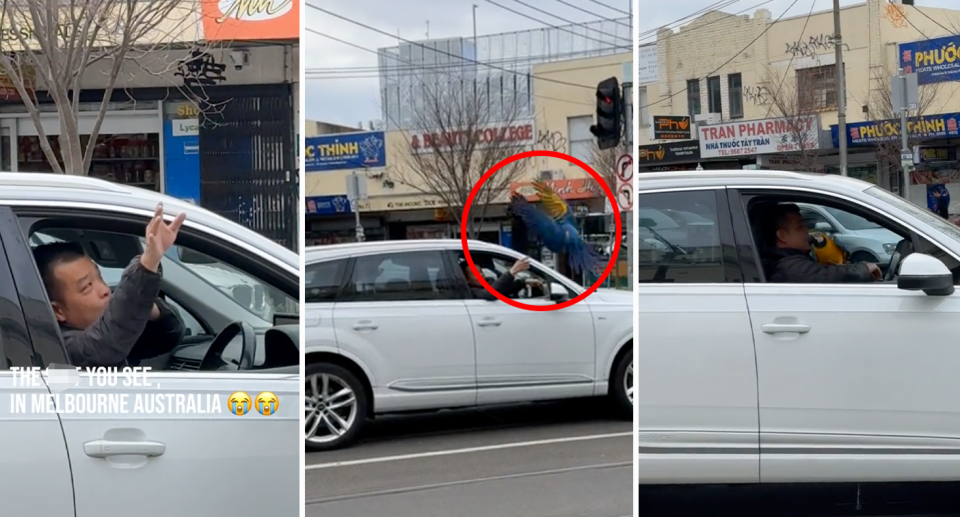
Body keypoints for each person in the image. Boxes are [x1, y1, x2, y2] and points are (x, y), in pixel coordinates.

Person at [33, 204, 187, 368]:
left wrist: (150, 310)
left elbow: (169, 336)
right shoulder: (59, 348)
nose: (105, 290)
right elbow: (104, 344)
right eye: (87, 287)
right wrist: (148, 262)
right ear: (58, 311)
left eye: (99, 276)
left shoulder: (106, 329)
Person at [760, 203, 881, 283]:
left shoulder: (790, 259)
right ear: (782, 236)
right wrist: (863, 268)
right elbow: (826, 274)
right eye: (800, 227)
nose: (807, 231)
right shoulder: (789, 267)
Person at [460, 256, 544, 300]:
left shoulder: (488, 283)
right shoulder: (470, 291)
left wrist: (524, 282)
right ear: (467, 279)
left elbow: (503, 288)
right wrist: (512, 272)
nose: (481, 275)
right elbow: (490, 294)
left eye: (481, 271)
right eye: (475, 273)